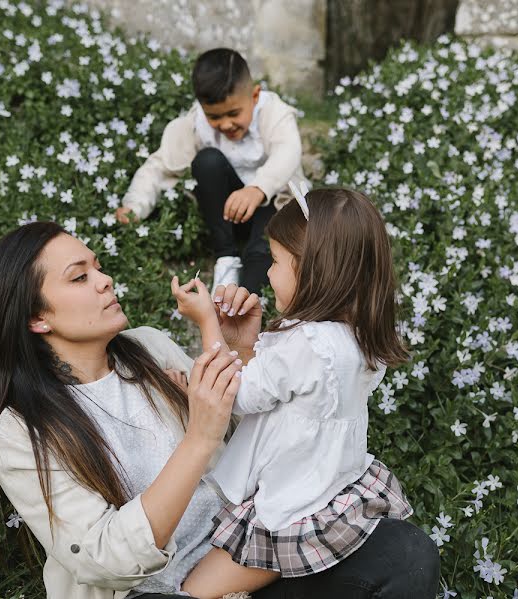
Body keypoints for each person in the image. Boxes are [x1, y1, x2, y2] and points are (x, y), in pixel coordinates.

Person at [0, 221, 439, 599]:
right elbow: (105, 558)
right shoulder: (20, 432)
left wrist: (242, 350)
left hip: (243, 560)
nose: (105, 281)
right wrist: (198, 439)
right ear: (36, 317)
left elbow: (254, 439)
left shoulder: (148, 347)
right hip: (152, 592)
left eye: (97, 266)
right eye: (80, 277)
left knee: (405, 553)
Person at [172, 186, 434, 599]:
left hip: (286, 511)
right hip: (330, 496)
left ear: (314, 271)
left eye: (275, 261)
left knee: (191, 591)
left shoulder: (308, 345)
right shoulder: (361, 338)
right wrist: (246, 346)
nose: (269, 273)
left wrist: (208, 324)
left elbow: (233, 397)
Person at [117, 48, 309, 295]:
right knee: (207, 162)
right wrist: (134, 206)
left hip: (271, 206)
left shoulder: (274, 113)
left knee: (260, 253)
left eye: (233, 113)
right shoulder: (195, 125)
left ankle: (249, 288)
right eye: (214, 117)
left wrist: (258, 189)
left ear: (254, 95)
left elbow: (289, 152)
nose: (225, 124)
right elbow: (159, 166)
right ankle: (226, 256)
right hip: (226, 215)